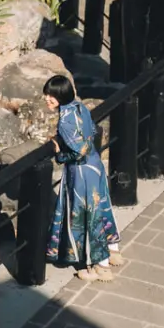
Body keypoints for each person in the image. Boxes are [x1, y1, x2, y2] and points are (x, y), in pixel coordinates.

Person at [43, 75, 123, 282]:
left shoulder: (64, 122)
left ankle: (100, 267)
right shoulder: (80, 107)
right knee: (102, 206)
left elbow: (78, 151)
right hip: (95, 164)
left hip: (81, 172)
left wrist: (60, 154)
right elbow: (93, 131)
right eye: (46, 94)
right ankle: (113, 250)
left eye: (51, 95)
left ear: (60, 95)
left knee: (87, 216)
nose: (47, 98)